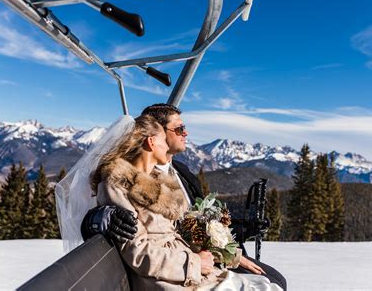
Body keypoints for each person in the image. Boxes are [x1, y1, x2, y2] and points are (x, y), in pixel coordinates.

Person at [81, 104, 287, 290]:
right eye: (178, 129)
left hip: (193, 262)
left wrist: (231, 243)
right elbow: (138, 243)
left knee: (273, 282)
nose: (185, 133)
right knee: (270, 285)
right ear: (152, 141)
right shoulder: (120, 183)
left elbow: (189, 225)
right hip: (177, 272)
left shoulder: (178, 173)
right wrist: (98, 218)